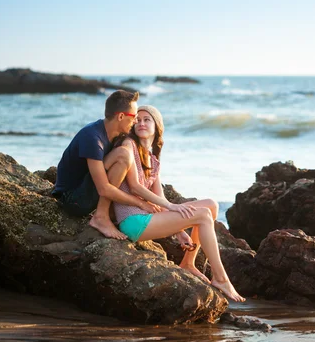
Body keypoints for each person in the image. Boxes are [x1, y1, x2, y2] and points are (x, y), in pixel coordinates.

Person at [113, 105, 245, 302]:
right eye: (138, 119)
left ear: (157, 126)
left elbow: (161, 199)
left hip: (148, 218)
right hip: (132, 222)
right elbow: (136, 188)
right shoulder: (129, 145)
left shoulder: (153, 159)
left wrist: (179, 229)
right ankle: (220, 278)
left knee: (211, 205)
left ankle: (188, 263)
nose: (141, 123)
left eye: (146, 119)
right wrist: (175, 210)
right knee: (202, 216)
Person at [52, 90, 161, 240]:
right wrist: (141, 204)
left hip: (88, 191)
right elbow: (103, 189)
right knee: (123, 155)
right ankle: (101, 217)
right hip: (73, 199)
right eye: (134, 117)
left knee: (124, 154)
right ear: (121, 116)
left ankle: (107, 214)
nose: (136, 121)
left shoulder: (115, 134)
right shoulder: (92, 137)